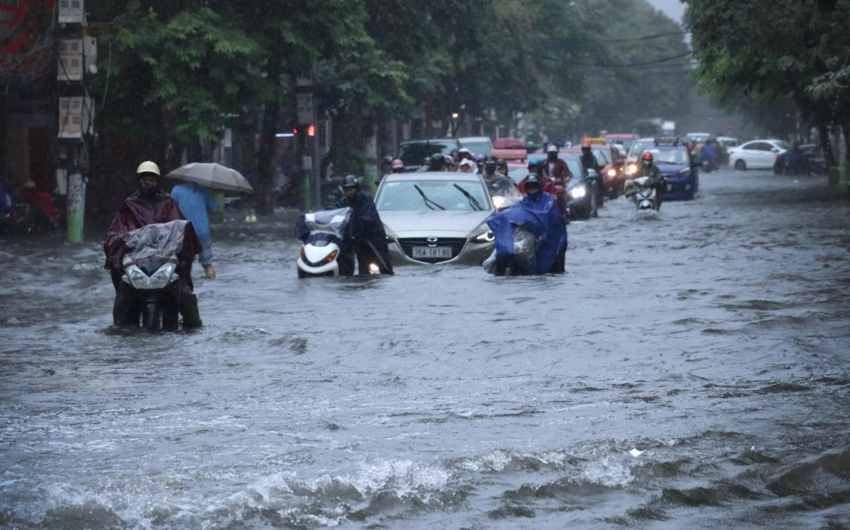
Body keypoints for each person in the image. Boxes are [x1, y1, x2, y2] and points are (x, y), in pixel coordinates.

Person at [104, 161, 203, 327]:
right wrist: (122, 241)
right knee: (122, 297)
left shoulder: (168, 203)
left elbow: (181, 228)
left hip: (165, 260)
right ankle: (120, 329)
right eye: (144, 180)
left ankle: (193, 327)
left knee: (185, 297)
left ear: (157, 182)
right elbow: (115, 233)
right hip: (137, 263)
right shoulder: (129, 205)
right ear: (138, 181)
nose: (147, 183)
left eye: (151, 180)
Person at [488, 173, 566, 276]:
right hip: (525, 233)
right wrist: (498, 219)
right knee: (503, 251)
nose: (532, 189)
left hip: (546, 235)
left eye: (534, 186)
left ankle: (533, 273)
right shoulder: (524, 201)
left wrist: (534, 221)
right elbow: (514, 212)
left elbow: (548, 215)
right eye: (529, 187)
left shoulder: (548, 200)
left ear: (539, 187)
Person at [333, 175, 394, 275]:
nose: (349, 191)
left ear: (356, 188)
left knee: (384, 267)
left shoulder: (365, 199)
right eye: (346, 189)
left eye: (351, 188)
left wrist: (352, 222)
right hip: (357, 239)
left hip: (374, 239)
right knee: (358, 266)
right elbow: (335, 210)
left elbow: (366, 218)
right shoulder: (344, 201)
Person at [171, 182, 221, 279]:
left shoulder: (176, 190)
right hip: (203, 232)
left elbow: (170, 209)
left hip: (185, 232)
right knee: (207, 264)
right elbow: (216, 210)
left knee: (186, 264)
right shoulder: (203, 190)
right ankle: (213, 285)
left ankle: (187, 290)